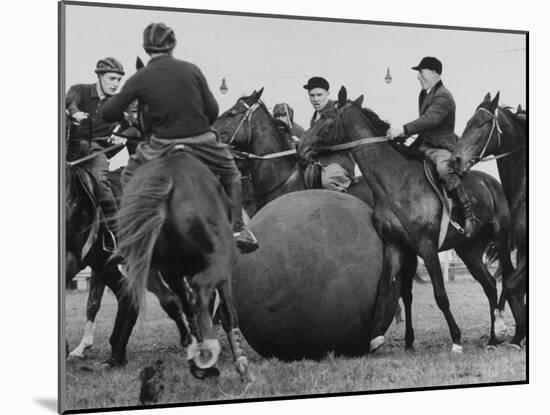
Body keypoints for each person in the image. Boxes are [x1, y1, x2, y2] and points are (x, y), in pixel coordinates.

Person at [101, 22, 258, 253]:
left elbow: (109, 113)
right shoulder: (192, 70)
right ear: (172, 46)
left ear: (146, 48)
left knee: (127, 177)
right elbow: (213, 111)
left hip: (160, 144)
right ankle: (237, 229)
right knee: (232, 174)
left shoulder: (140, 78)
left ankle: (128, 235)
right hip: (201, 141)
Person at [386, 56, 477, 237]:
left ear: (434, 73)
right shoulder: (425, 94)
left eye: (421, 72)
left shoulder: (444, 96)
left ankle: (469, 215)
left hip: (440, 147)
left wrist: (402, 129)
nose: (418, 77)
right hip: (424, 144)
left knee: (444, 169)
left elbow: (430, 120)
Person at [66, 57, 128, 250]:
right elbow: (70, 102)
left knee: (103, 184)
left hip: (95, 152)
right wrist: (74, 112)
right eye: (111, 78)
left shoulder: (117, 104)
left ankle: (116, 236)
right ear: (99, 76)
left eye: (118, 80)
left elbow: (129, 127)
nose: (115, 84)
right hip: (68, 146)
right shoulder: (80, 90)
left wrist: (122, 136)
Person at [303, 76, 355, 192]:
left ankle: (342, 207)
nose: (315, 99)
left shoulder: (337, 111)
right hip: (320, 162)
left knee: (328, 181)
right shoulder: (315, 117)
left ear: (328, 94)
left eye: (319, 95)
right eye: (312, 95)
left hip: (339, 162)